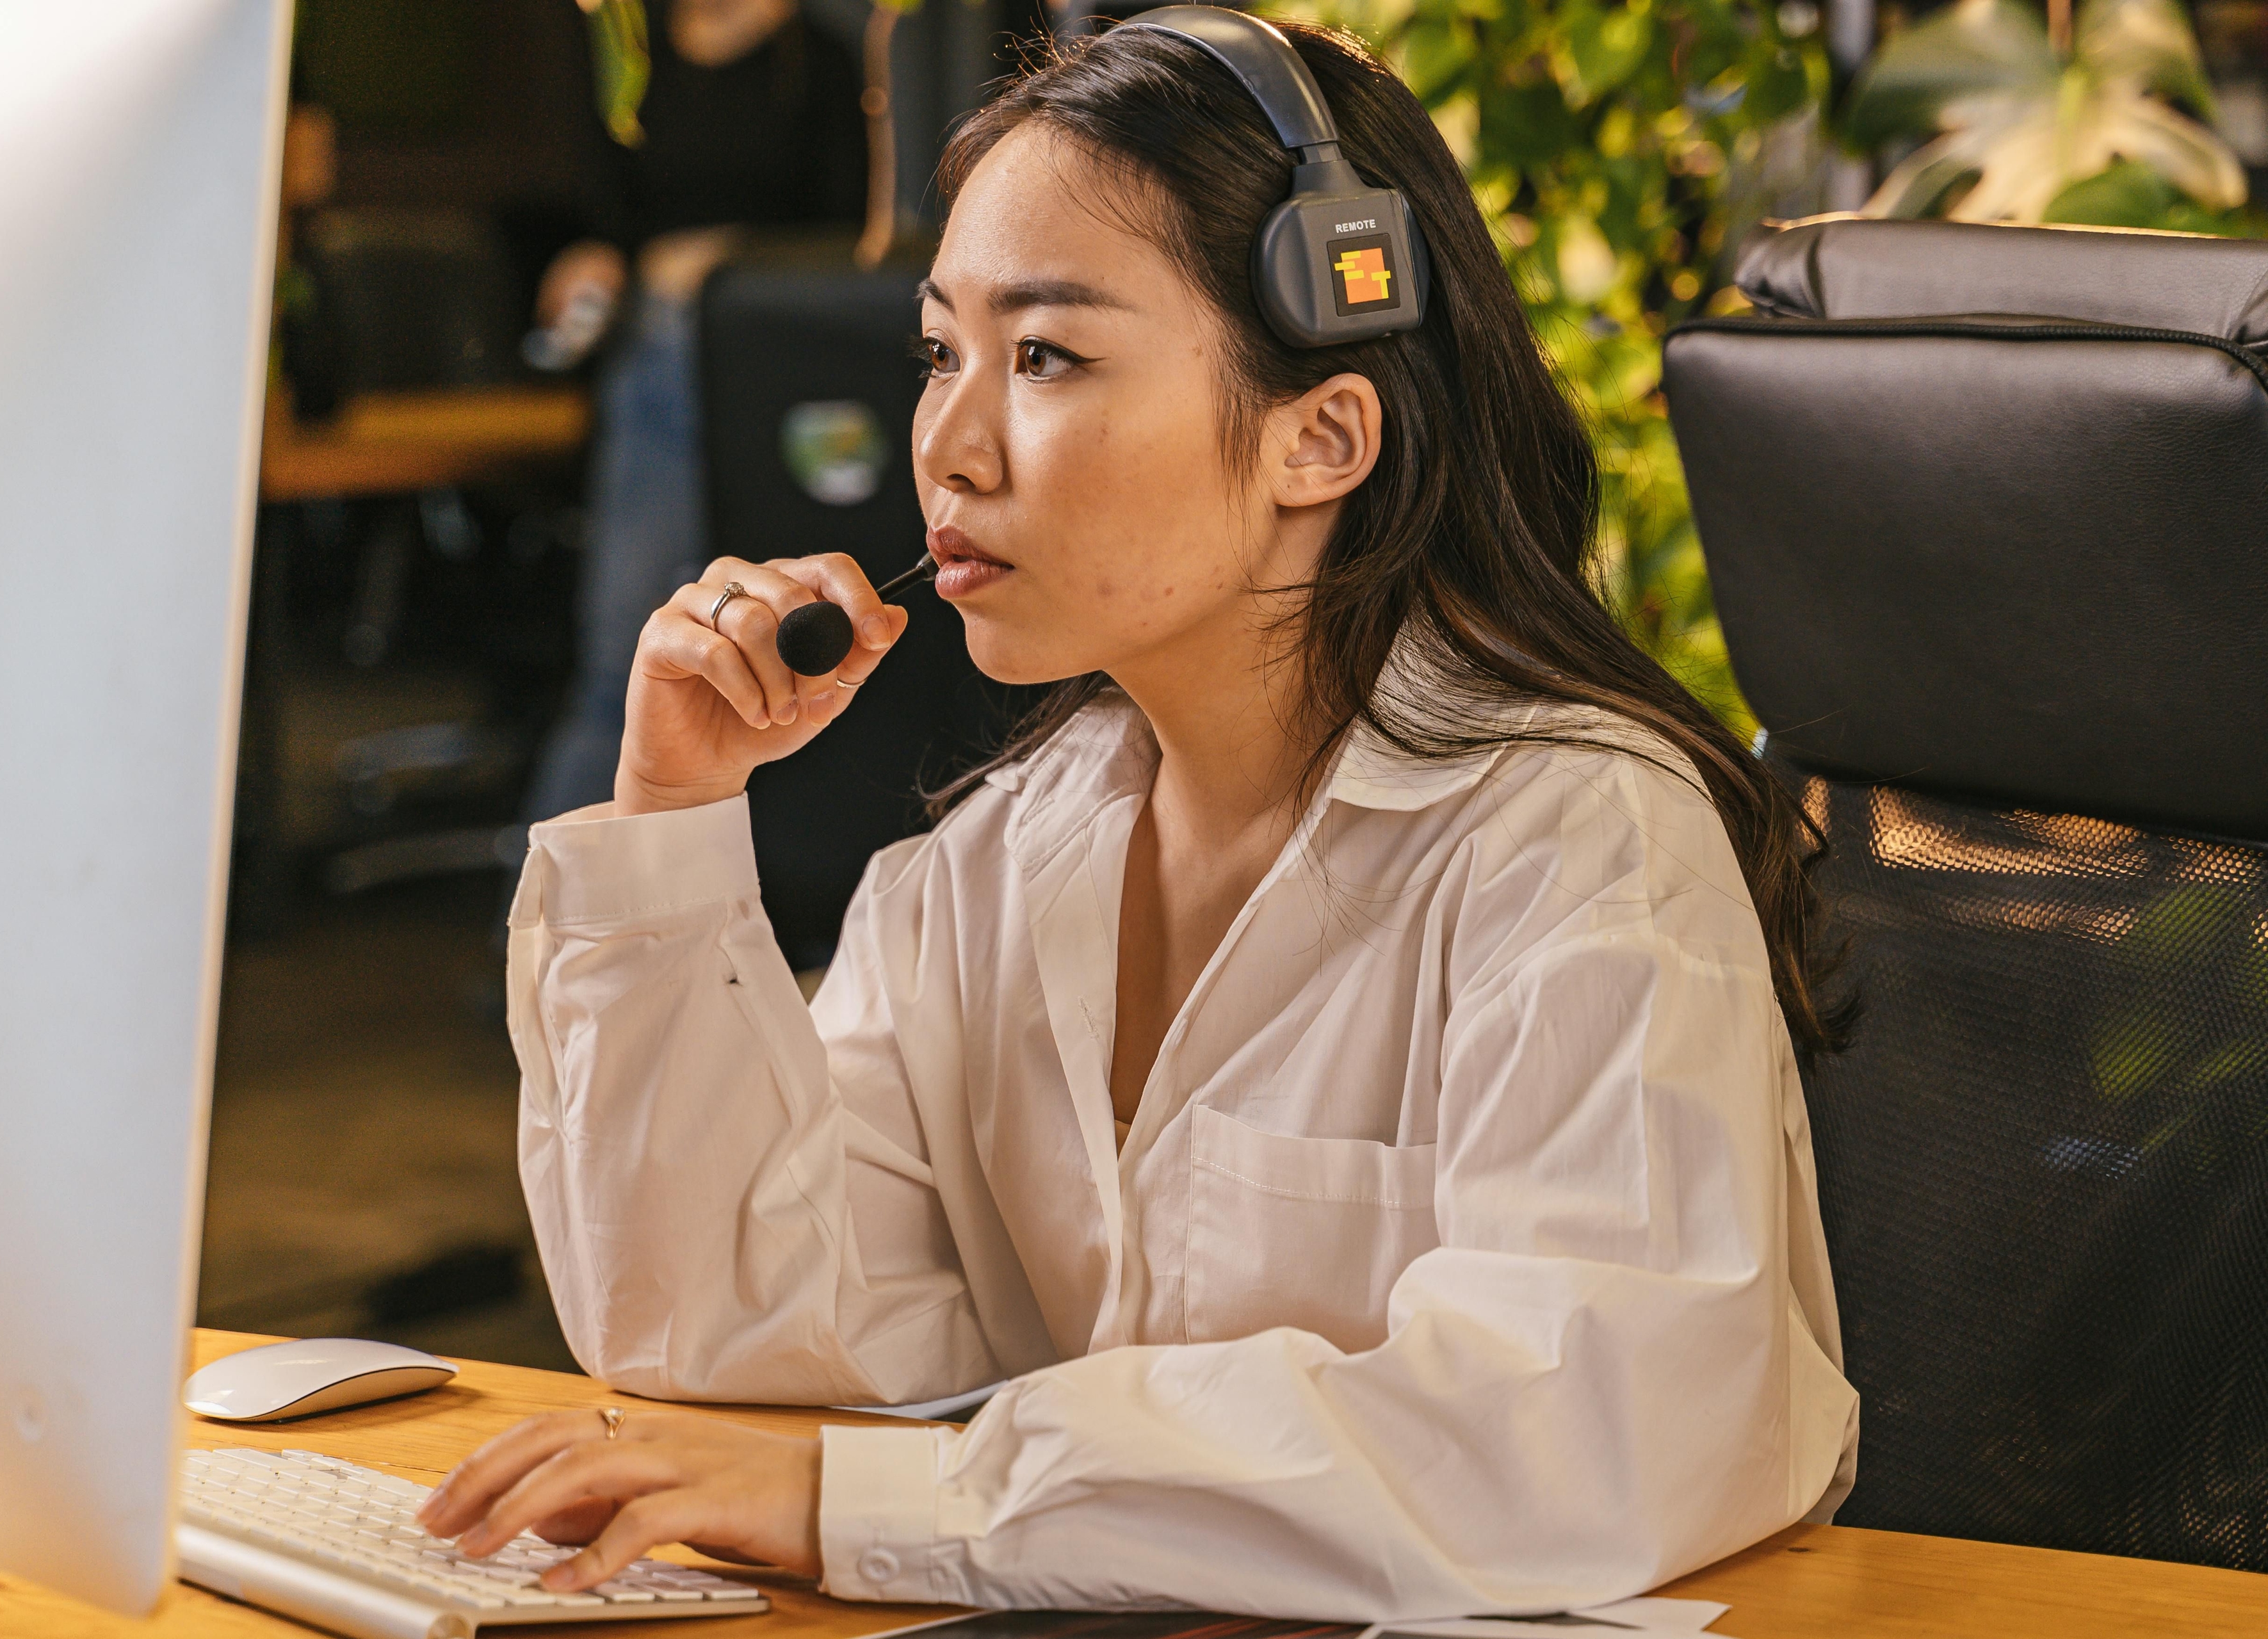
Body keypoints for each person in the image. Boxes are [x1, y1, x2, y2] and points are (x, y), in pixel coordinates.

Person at [419, 17, 1860, 1620]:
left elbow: (1576, 1429)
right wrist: (671, 816)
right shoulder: (1000, 860)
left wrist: (895, 1495)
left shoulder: (1575, 840)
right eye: (938, 351)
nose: (948, 448)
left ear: (1321, 435)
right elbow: (712, 1329)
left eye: (1043, 356)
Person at [523, 0, 868, 823]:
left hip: (779, 359)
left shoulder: (817, 61)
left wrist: (730, 259)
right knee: (628, 667)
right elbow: (592, 206)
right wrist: (592, 257)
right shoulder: (628, 46)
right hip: (648, 346)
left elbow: (847, 233)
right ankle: (545, 925)